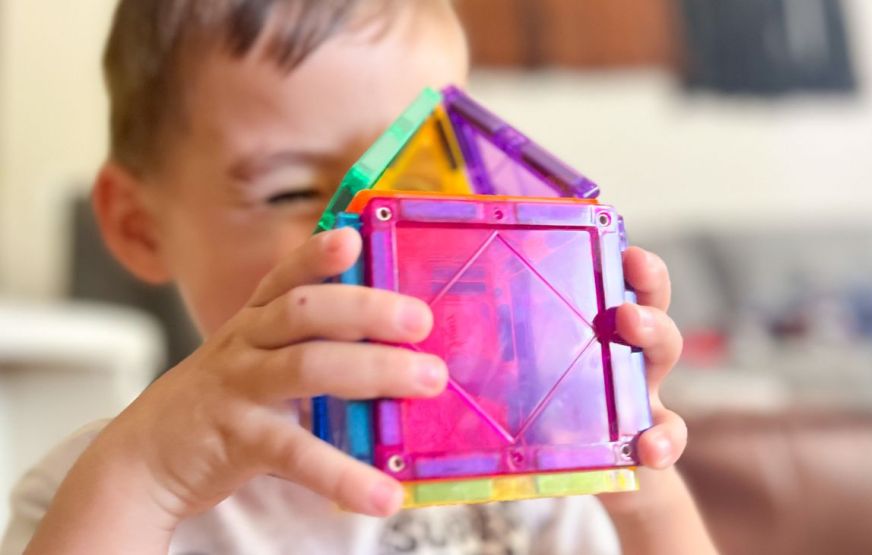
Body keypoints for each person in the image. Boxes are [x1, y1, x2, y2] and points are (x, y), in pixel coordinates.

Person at [1, 1, 716, 553]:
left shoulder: (534, 469)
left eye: (427, 176)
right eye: (289, 193)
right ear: (139, 226)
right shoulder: (108, 488)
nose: (380, 240)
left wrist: (643, 487)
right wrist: (147, 481)